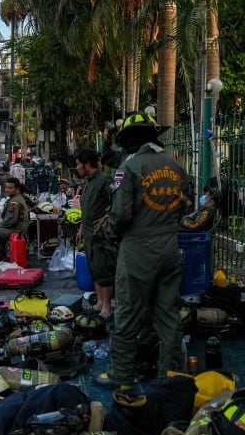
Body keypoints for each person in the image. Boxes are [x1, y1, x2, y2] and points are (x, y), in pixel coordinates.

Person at [102, 111, 190, 409]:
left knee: (127, 312)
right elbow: (185, 205)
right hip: (169, 247)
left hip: (138, 248)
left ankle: (122, 377)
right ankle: (170, 374)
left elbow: (121, 214)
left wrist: (112, 234)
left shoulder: (130, 167)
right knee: (168, 312)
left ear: (131, 140)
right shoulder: (177, 166)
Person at [74, 149, 117, 318]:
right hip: (90, 234)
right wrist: (81, 229)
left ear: (87, 164)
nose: (77, 167)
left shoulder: (105, 180)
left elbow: (118, 199)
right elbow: (87, 209)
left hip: (102, 235)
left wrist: (107, 217)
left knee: (104, 269)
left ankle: (107, 307)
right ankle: (99, 303)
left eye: (78, 164)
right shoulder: (88, 183)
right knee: (95, 269)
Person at [0, 177, 30, 263]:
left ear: (17, 189)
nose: (7, 190)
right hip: (17, 227)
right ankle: (1, 255)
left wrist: (0, 225)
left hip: (18, 230)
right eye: (6, 187)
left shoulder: (15, 201)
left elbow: (11, 221)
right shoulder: (14, 198)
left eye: (10, 188)